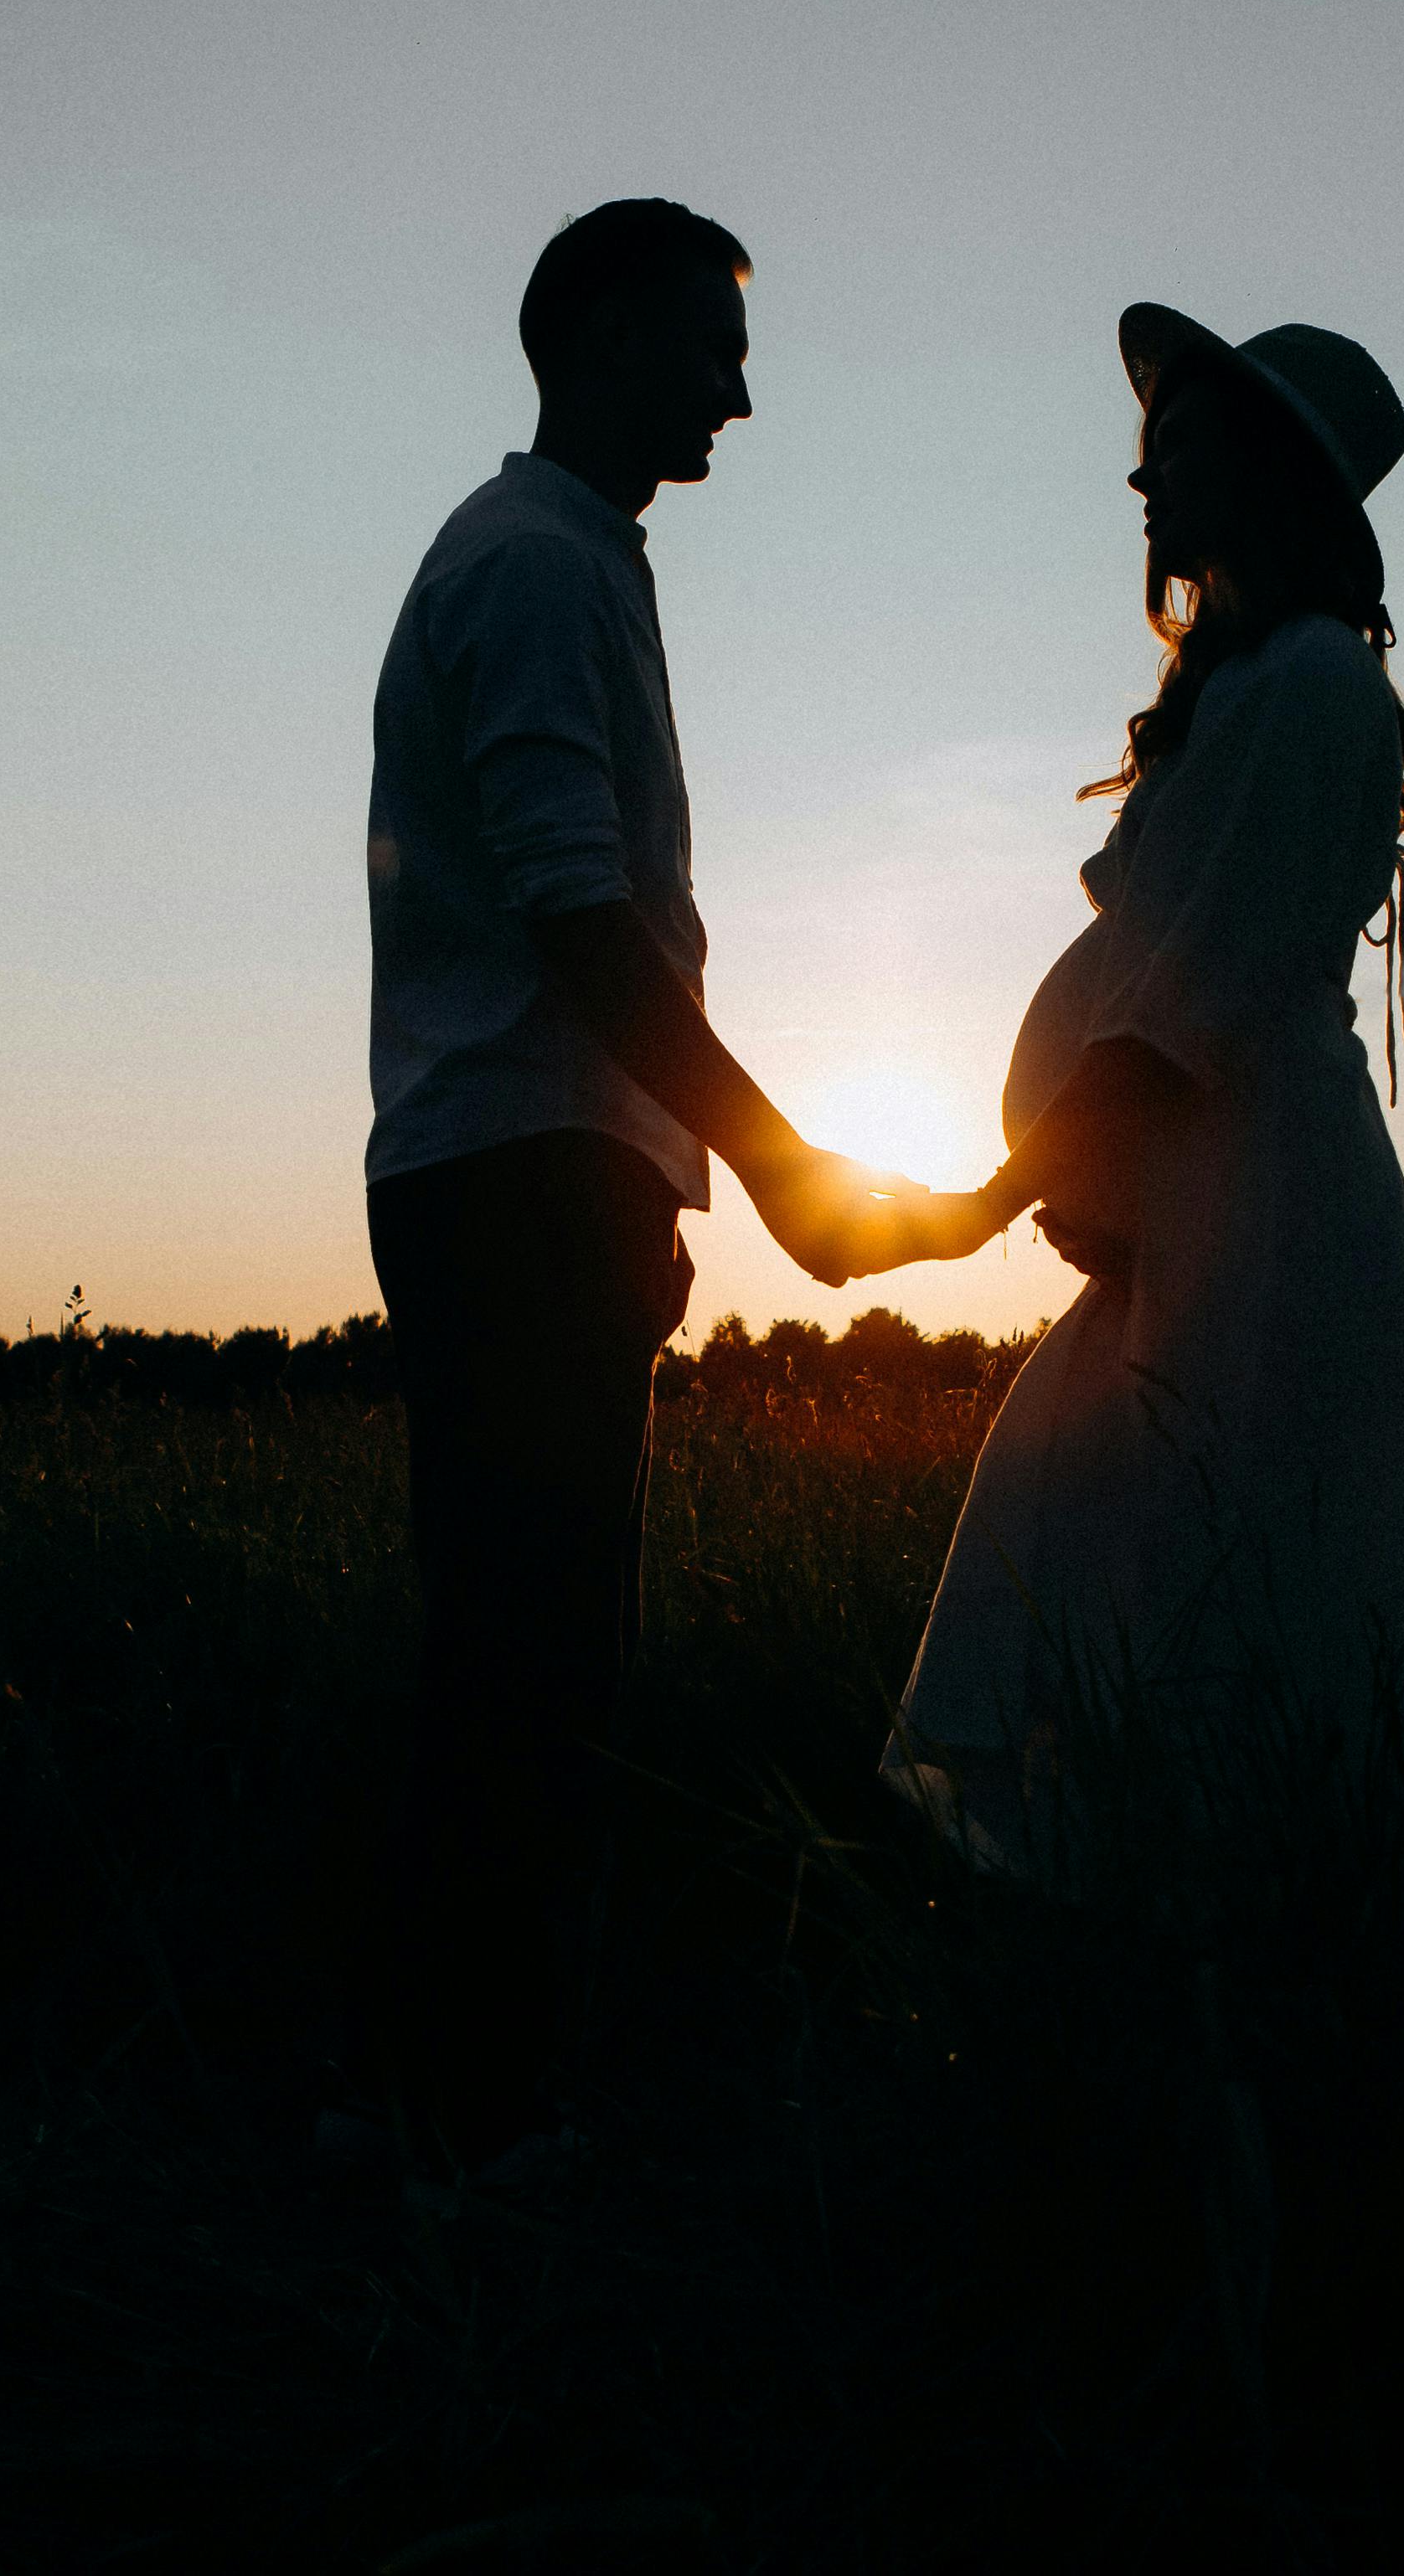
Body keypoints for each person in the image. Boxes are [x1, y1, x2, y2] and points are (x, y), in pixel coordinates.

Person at [358, 198, 915, 2174]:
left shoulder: (570, 557)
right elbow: (581, 918)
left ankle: (479, 2113)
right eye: (707, 345)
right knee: (528, 1675)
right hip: (516, 1173)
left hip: (548, 1171)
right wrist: (772, 1165)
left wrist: (665, 1180)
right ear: (597, 334)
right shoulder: (529, 566)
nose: (740, 396)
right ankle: (481, 2142)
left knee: (532, 1662)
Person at [853, 305, 1404, 1883]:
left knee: (1221, 1588)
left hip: (1264, 1218)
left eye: (1175, 451)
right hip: (1188, 1214)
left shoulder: (1316, 686)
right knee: (1107, 1553)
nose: (1141, 484)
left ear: (1266, 474)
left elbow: (1182, 1008)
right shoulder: (1241, 694)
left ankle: (1243, 1998)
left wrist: (988, 1198)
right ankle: (1146, 1985)